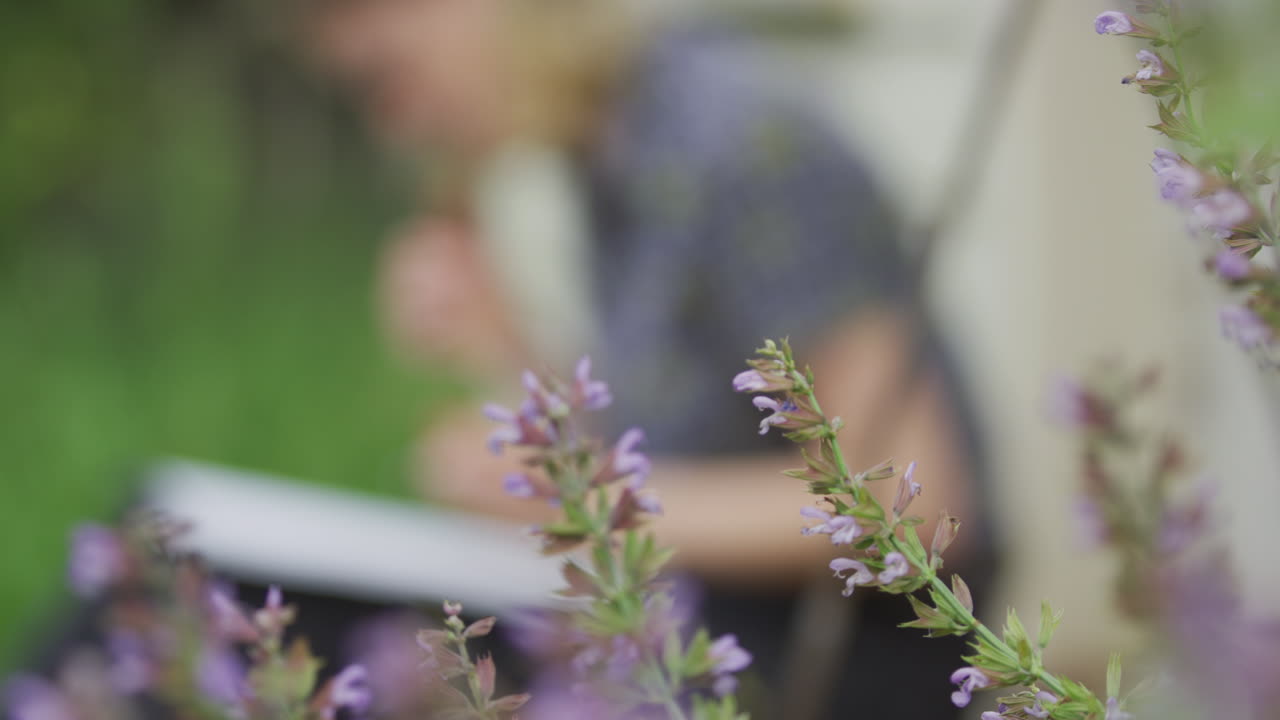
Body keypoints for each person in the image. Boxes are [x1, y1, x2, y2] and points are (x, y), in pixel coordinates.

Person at [306, 1, 995, 716]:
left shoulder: (741, 140)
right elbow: (673, 451)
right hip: (725, 637)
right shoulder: (610, 153)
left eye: (388, 81)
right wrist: (499, 347)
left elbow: (908, 509)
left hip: (854, 663)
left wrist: (580, 506)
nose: (395, 126)